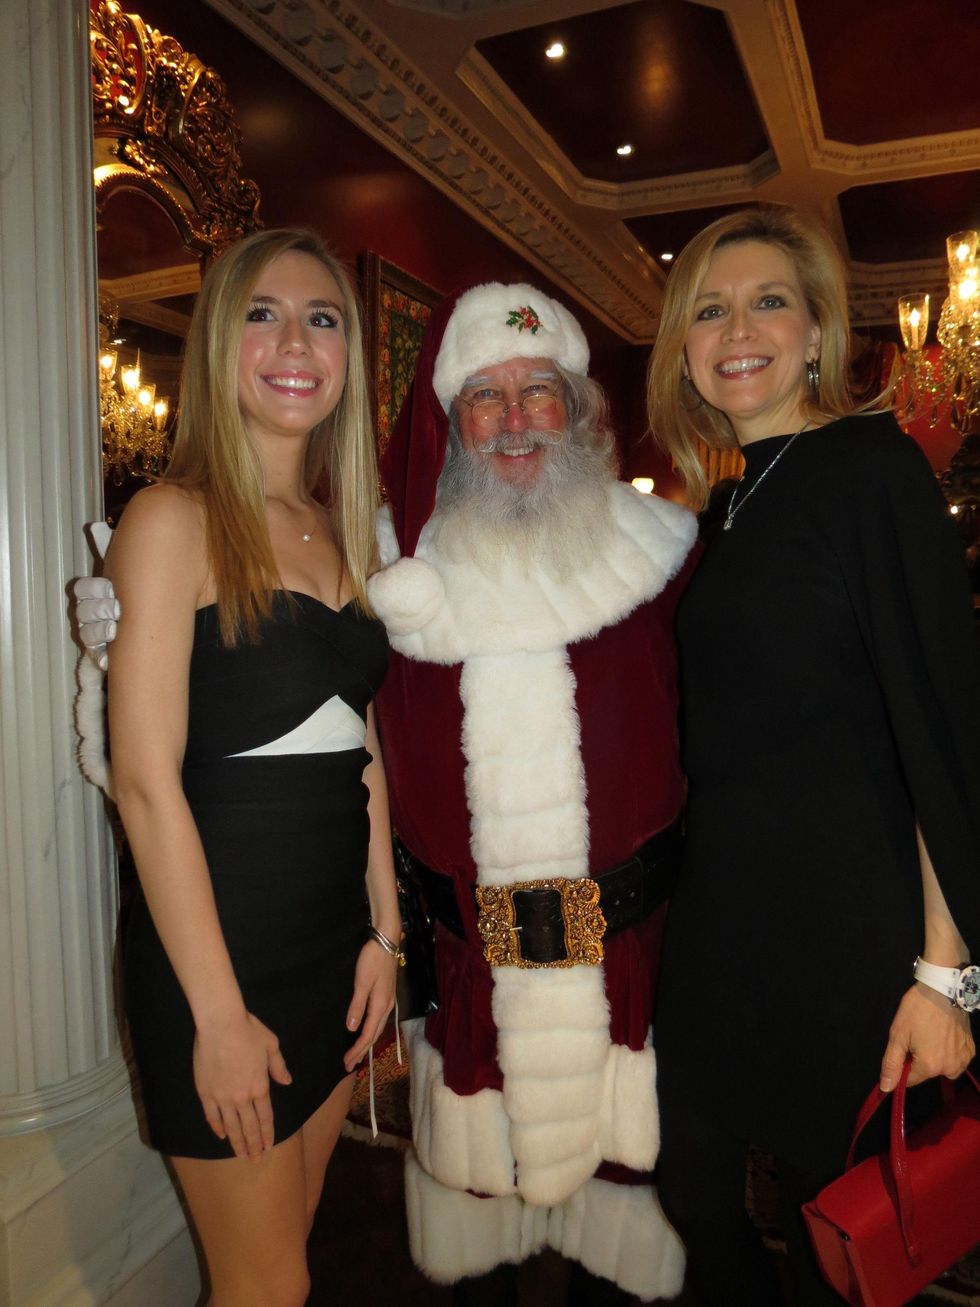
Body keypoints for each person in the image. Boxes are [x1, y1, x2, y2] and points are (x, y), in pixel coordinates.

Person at [646, 205, 980, 1306]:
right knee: (690, 1191)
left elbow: (937, 722)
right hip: (722, 920)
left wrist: (942, 975)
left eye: (766, 300)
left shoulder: (866, 470)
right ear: (683, 350)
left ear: (816, 332)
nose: (736, 327)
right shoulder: (730, 499)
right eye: (708, 307)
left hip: (847, 936)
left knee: (837, 1233)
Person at [365, 282, 697, 1303]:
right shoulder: (388, 578)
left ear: (581, 408)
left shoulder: (669, 556)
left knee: (624, 1253)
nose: (513, 420)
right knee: (477, 1260)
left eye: (537, 391)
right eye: (484, 397)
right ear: (449, 423)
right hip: (468, 984)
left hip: (633, 975)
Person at [97, 226, 400, 1307]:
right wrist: (218, 1014)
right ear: (222, 340)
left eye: (321, 318)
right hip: (217, 963)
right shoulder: (169, 518)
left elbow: (358, 743)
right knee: (264, 1286)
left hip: (330, 951)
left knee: (287, 1260)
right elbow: (144, 783)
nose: (294, 341)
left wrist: (383, 927)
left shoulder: (338, 529)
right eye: (261, 314)